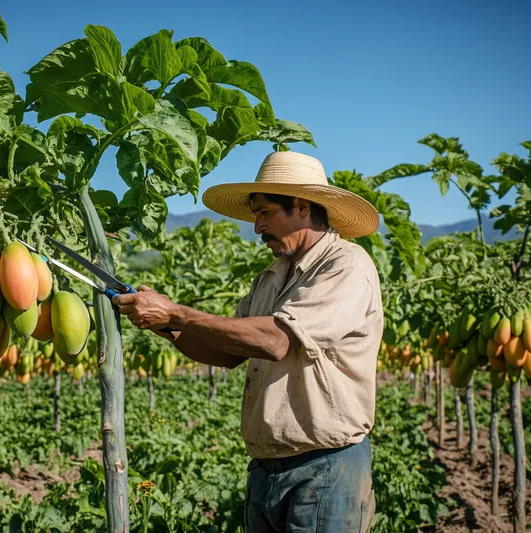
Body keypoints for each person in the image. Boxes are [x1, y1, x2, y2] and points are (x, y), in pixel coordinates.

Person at [113, 151, 383, 532]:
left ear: (302, 207)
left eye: (265, 213)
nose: (257, 227)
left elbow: (276, 341)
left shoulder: (347, 266)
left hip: (325, 468)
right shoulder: (270, 278)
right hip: (265, 468)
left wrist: (176, 312)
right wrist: (164, 325)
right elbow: (225, 352)